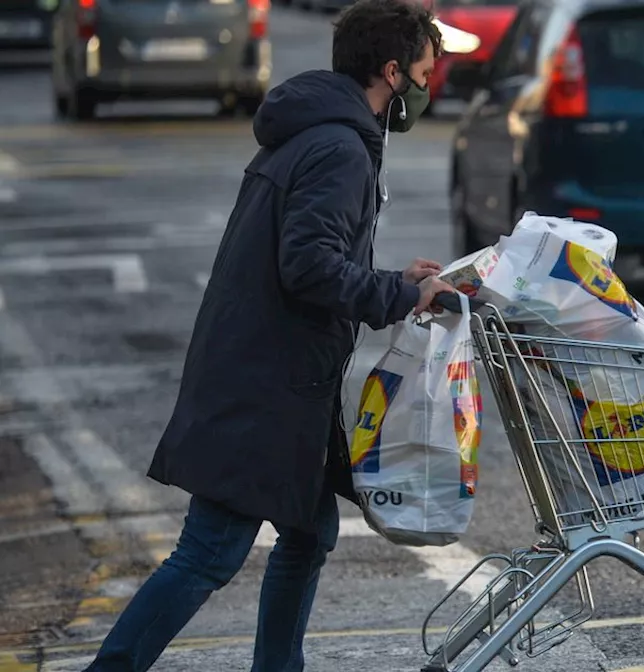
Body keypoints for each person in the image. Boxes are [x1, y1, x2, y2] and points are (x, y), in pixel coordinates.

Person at [82, 0, 452, 669]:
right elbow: (308, 268)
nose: (427, 90)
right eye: (424, 74)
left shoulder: (324, 132)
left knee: (309, 532)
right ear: (393, 73)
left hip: (277, 380)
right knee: (209, 551)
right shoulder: (340, 147)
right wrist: (399, 294)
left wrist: (396, 278)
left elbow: (313, 252)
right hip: (264, 387)